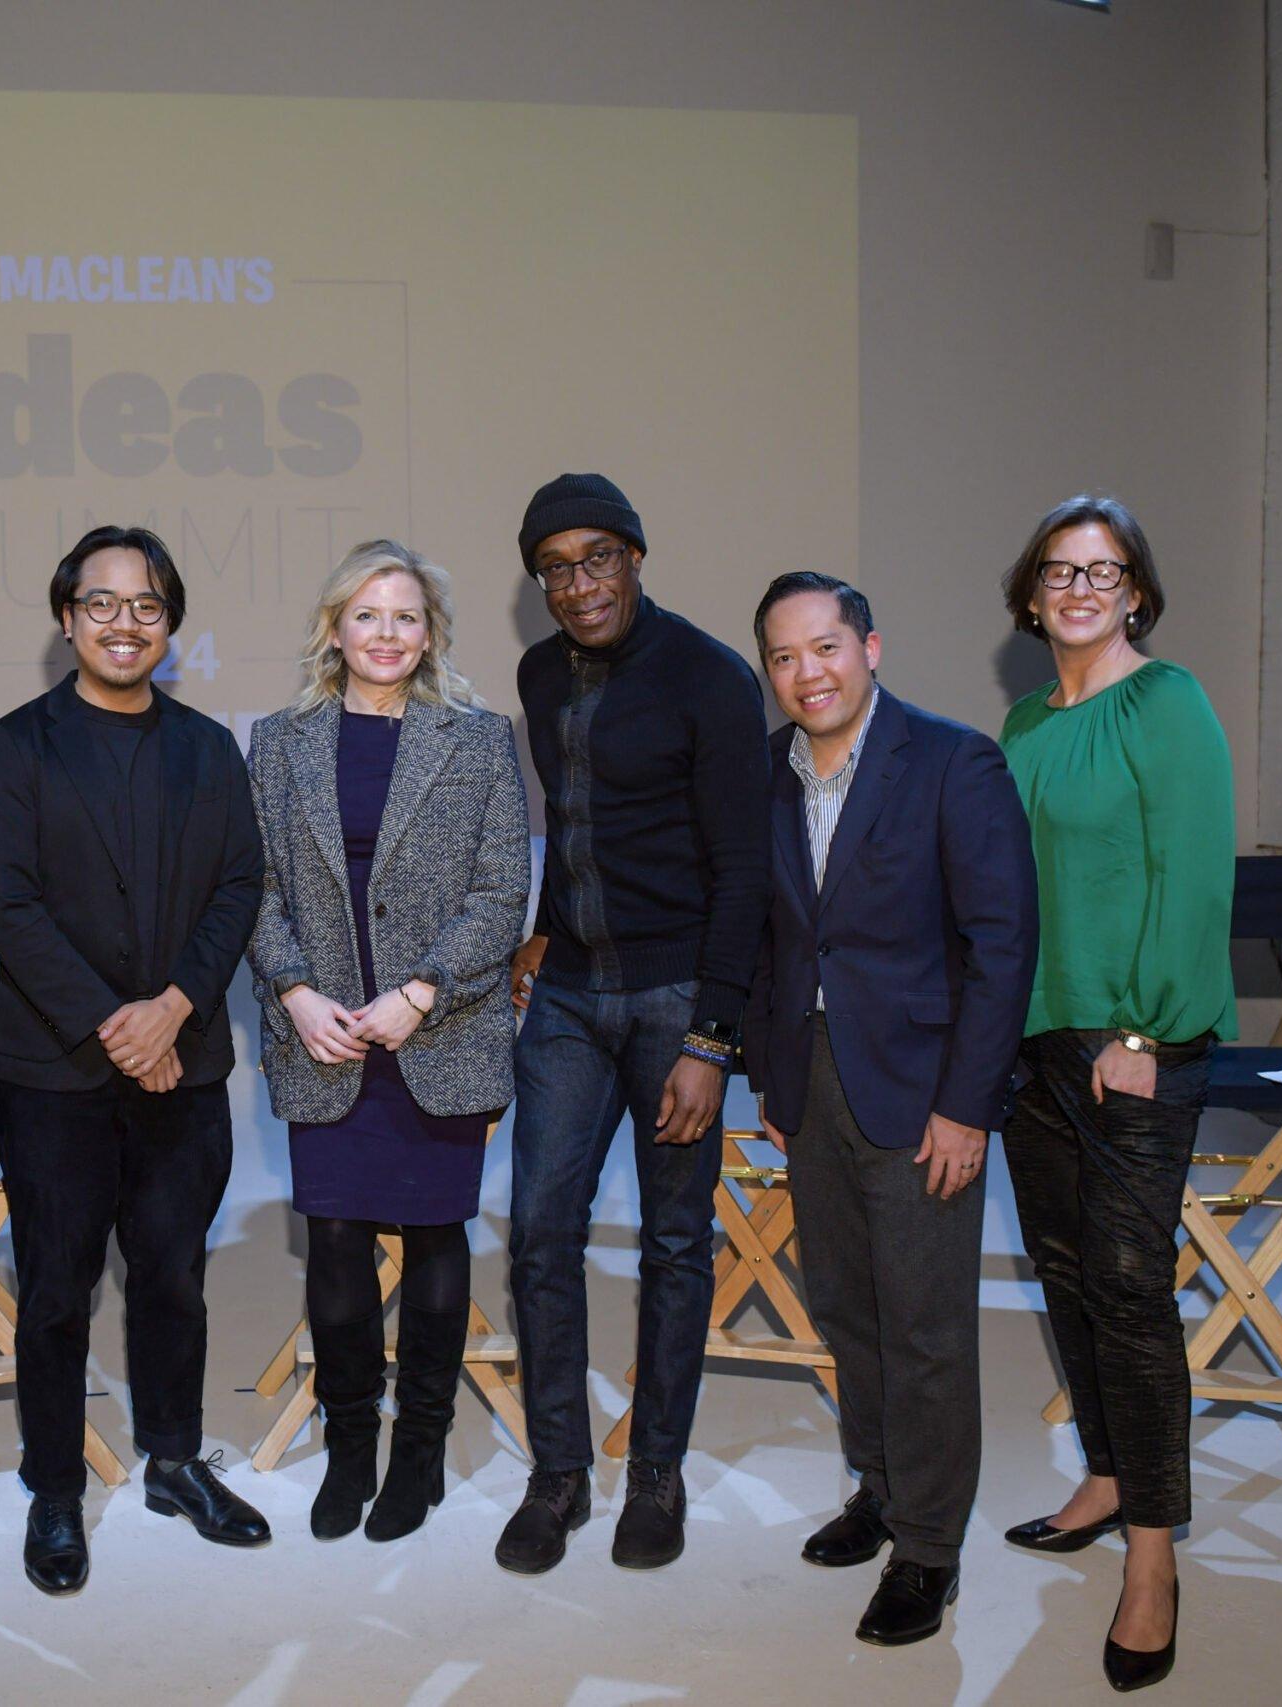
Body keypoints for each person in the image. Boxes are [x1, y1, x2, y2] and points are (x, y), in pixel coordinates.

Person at [0, 524, 268, 1596]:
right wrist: (112, 1022)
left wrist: (174, 1006)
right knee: (54, 1286)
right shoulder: (17, 747)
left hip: (185, 1070)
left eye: (145, 606)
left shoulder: (205, 749)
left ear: (170, 624)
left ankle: (176, 1464)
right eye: (101, 604)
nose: (123, 623)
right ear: (65, 619)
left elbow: (239, 885)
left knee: (173, 1276)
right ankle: (54, 1487)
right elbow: (4, 900)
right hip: (55, 1073)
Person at [745, 573, 1038, 1647]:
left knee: (922, 1326)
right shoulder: (767, 777)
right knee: (846, 1309)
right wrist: (774, 1081)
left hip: (922, 1094)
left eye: (824, 647)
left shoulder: (953, 762)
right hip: (810, 1084)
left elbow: (1000, 948)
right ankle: (877, 1487)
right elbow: (778, 939)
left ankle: (927, 1547)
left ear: (871, 646)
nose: (805, 673)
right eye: (782, 657)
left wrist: (967, 1107)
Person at [497, 473, 772, 1576]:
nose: (577, 583)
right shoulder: (534, 673)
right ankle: (558, 1474)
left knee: (671, 1243)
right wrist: (535, 930)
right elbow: (570, 833)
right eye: (555, 567)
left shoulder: (710, 679)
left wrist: (712, 1039)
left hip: (674, 1002)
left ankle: (655, 1472)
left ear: (636, 557)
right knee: (536, 1234)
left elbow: (744, 872)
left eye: (596, 557)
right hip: (565, 994)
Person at [994, 494, 1235, 1694]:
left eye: (1104, 570)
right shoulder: (1026, 720)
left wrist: (1141, 1024)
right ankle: (1103, 1471)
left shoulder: (1167, 702)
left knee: (1134, 1292)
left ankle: (1153, 1558)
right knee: (1067, 1270)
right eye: (1059, 571)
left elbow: (1190, 875)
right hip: (1033, 1046)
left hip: (1134, 1038)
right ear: (1030, 595)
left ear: (1135, 589)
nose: (1080, 589)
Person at [246, 540, 531, 1544]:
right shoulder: (278, 745)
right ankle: (351, 1447)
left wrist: (421, 991)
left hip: (439, 1033)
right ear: (335, 627)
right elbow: (259, 891)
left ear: (430, 634)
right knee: (332, 1240)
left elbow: (502, 893)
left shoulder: (480, 740)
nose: (385, 634)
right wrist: (295, 992)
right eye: (366, 615)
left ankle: (419, 1456)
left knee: (434, 1238)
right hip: (324, 1040)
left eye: (405, 616)